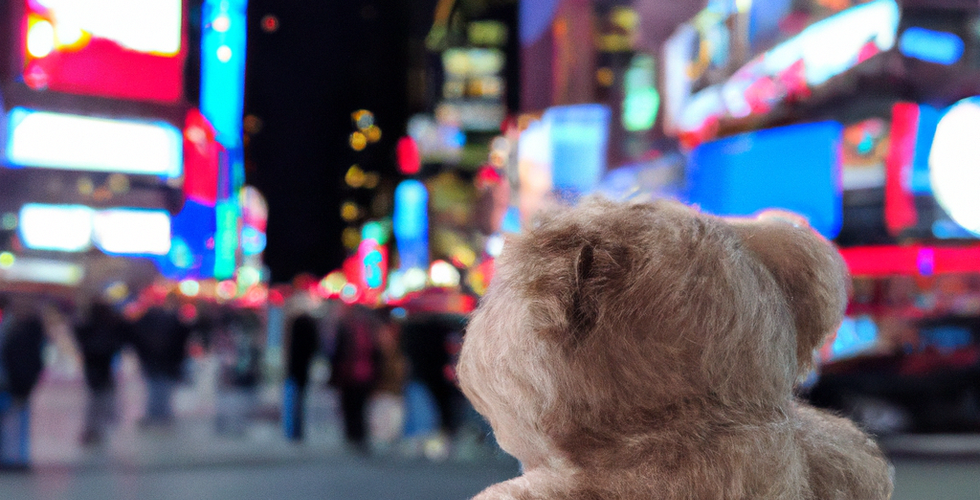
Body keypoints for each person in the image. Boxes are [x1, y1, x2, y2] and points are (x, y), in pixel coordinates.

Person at [130, 291, 191, 426]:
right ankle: (160, 416)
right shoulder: (173, 320)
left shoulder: (167, 320)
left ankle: (158, 416)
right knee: (160, 389)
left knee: (158, 389)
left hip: (160, 361)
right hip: (162, 361)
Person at [328, 305, 381, 452]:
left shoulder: (356, 329)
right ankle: (356, 436)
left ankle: (356, 436)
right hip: (354, 374)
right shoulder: (364, 329)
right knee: (354, 407)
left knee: (355, 407)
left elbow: (337, 354)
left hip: (357, 374)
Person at [74, 300, 128, 445]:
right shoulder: (105, 327)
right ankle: (97, 428)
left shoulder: (90, 327)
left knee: (96, 399)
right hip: (101, 367)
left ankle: (95, 428)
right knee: (100, 398)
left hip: (95, 368)